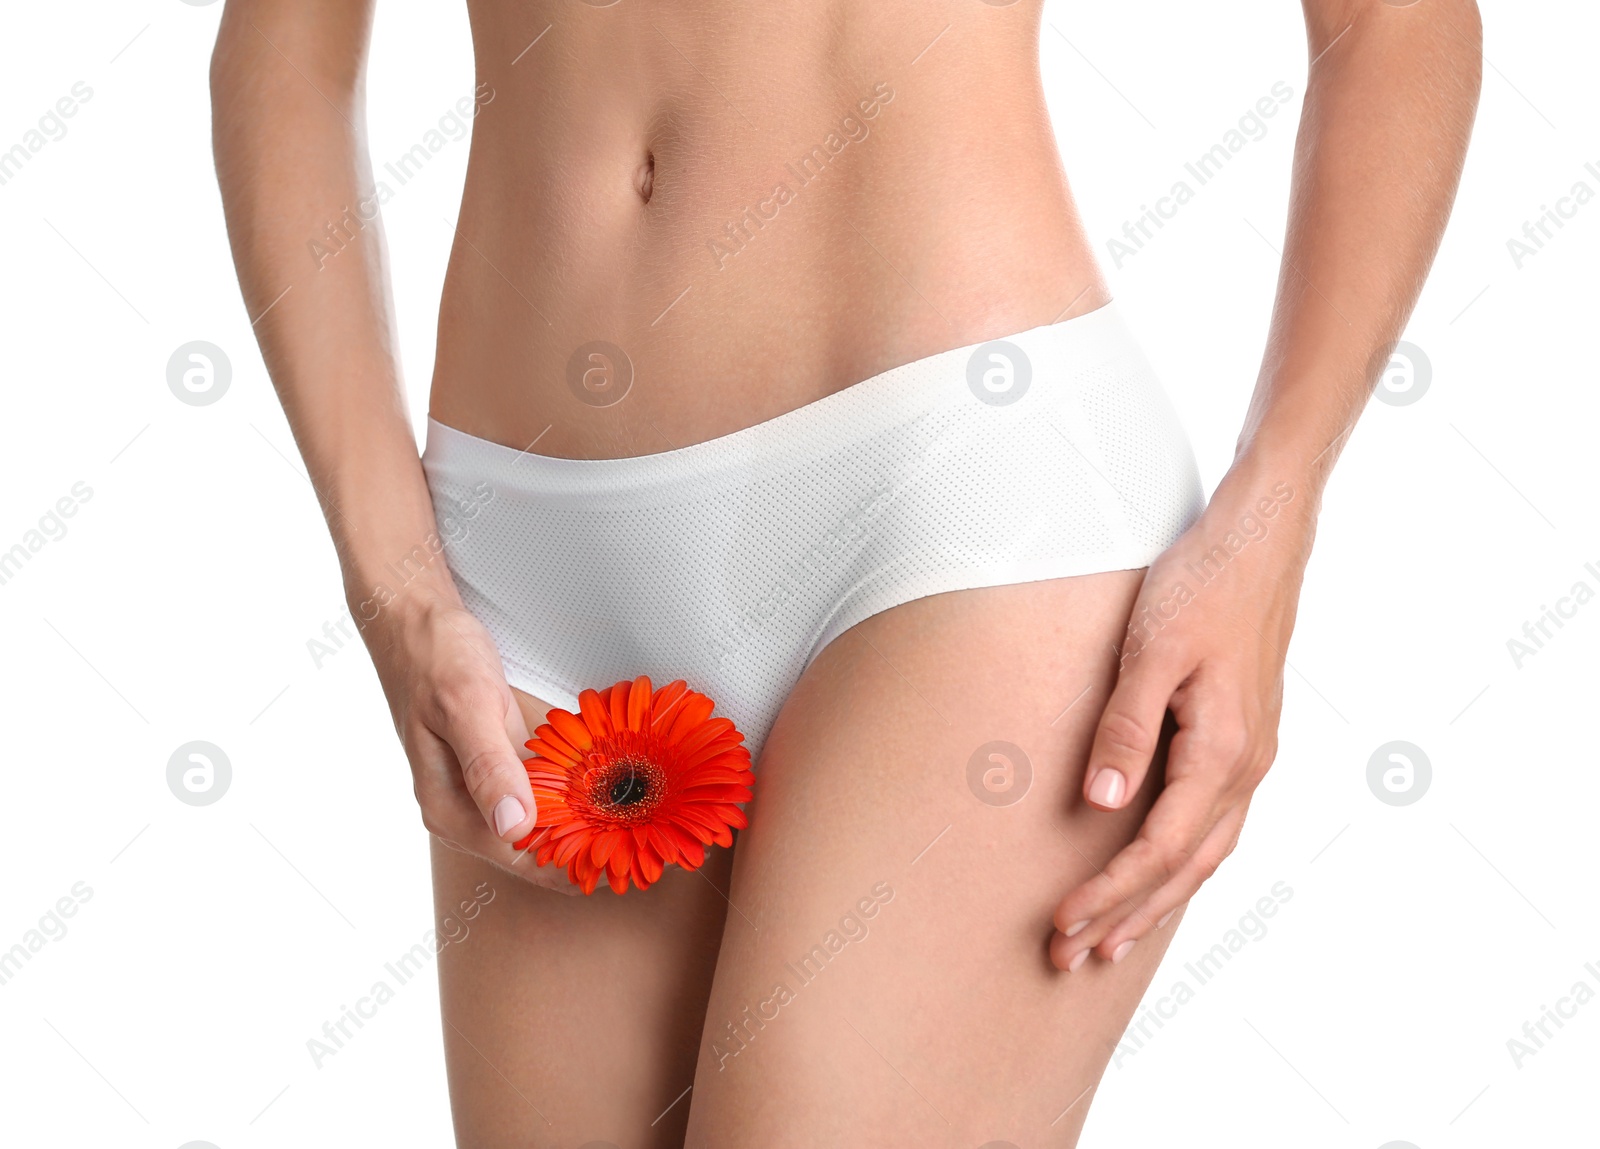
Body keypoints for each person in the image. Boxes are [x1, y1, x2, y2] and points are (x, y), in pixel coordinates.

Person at [211, 1, 1481, 1144]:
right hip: (524, 559)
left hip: (954, 493)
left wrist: (1274, 514)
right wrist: (397, 587)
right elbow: (285, 53)